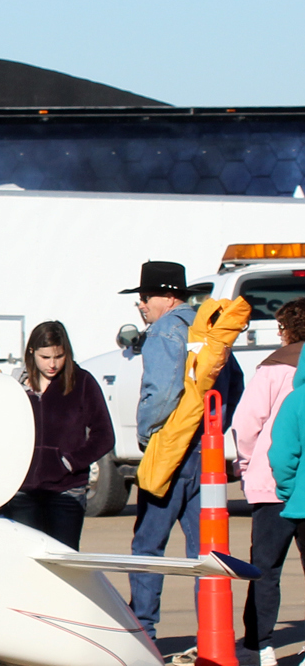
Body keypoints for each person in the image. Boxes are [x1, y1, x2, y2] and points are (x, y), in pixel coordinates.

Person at [123, 260, 243, 642]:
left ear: (165, 296)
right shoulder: (208, 327)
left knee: (147, 546)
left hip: (171, 449)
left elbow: (161, 392)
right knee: (204, 551)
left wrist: (148, 434)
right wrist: (214, 427)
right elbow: (235, 381)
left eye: (144, 297)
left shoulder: (163, 333)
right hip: (204, 453)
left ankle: (143, 633)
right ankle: (212, 636)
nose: (141, 306)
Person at [0, 321, 114, 550]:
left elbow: (105, 436)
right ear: (32, 353)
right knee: (28, 560)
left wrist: (70, 462)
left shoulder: (82, 382)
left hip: (67, 491)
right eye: (45, 357)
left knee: (63, 559)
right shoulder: (15, 385)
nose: (52, 364)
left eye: (58, 356)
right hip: (23, 490)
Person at [239, 299, 305, 666]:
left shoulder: (272, 368)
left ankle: (260, 645)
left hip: (272, 484)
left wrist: (246, 462)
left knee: (265, 568)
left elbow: (248, 423)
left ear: (287, 331)